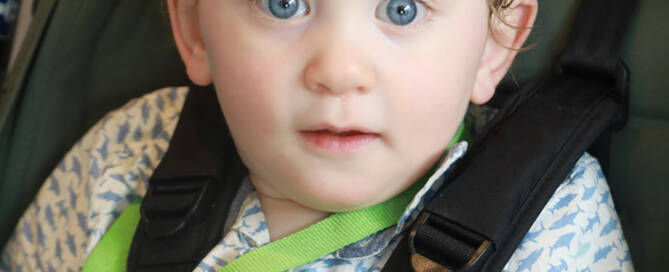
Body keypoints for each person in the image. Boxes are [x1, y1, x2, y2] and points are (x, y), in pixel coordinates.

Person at [1, 0, 634, 271]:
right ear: (194, 29)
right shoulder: (131, 151)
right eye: (283, 3)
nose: (337, 71)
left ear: (494, 45)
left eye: (402, 9)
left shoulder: (548, 222)